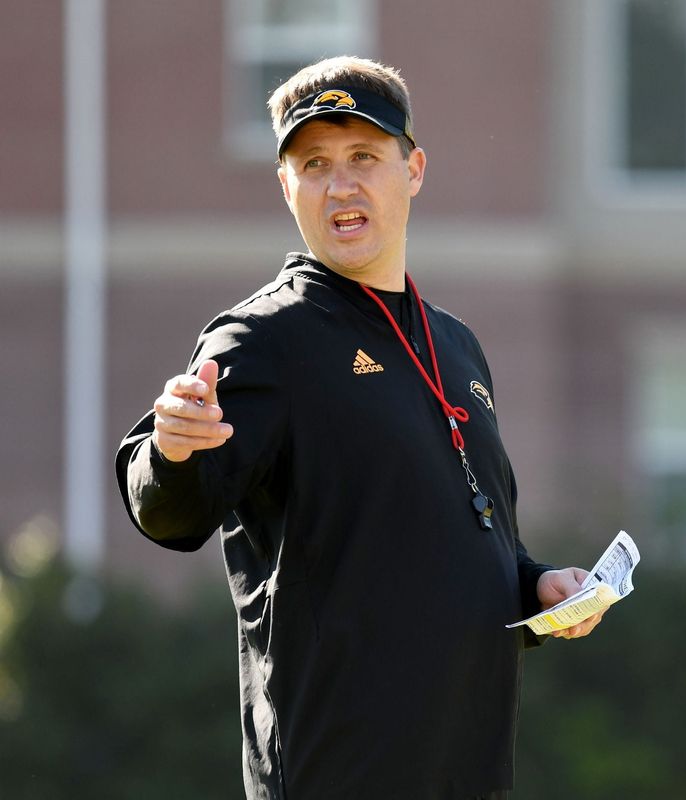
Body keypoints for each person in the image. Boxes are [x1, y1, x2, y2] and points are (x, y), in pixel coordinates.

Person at [116, 56, 605, 800]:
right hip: (337, 773)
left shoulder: (457, 346)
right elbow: (170, 513)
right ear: (287, 187)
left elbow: (453, 539)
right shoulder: (263, 340)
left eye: (364, 157)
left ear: (413, 170)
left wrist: (535, 587)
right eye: (314, 164)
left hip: (468, 771)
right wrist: (170, 451)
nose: (340, 185)